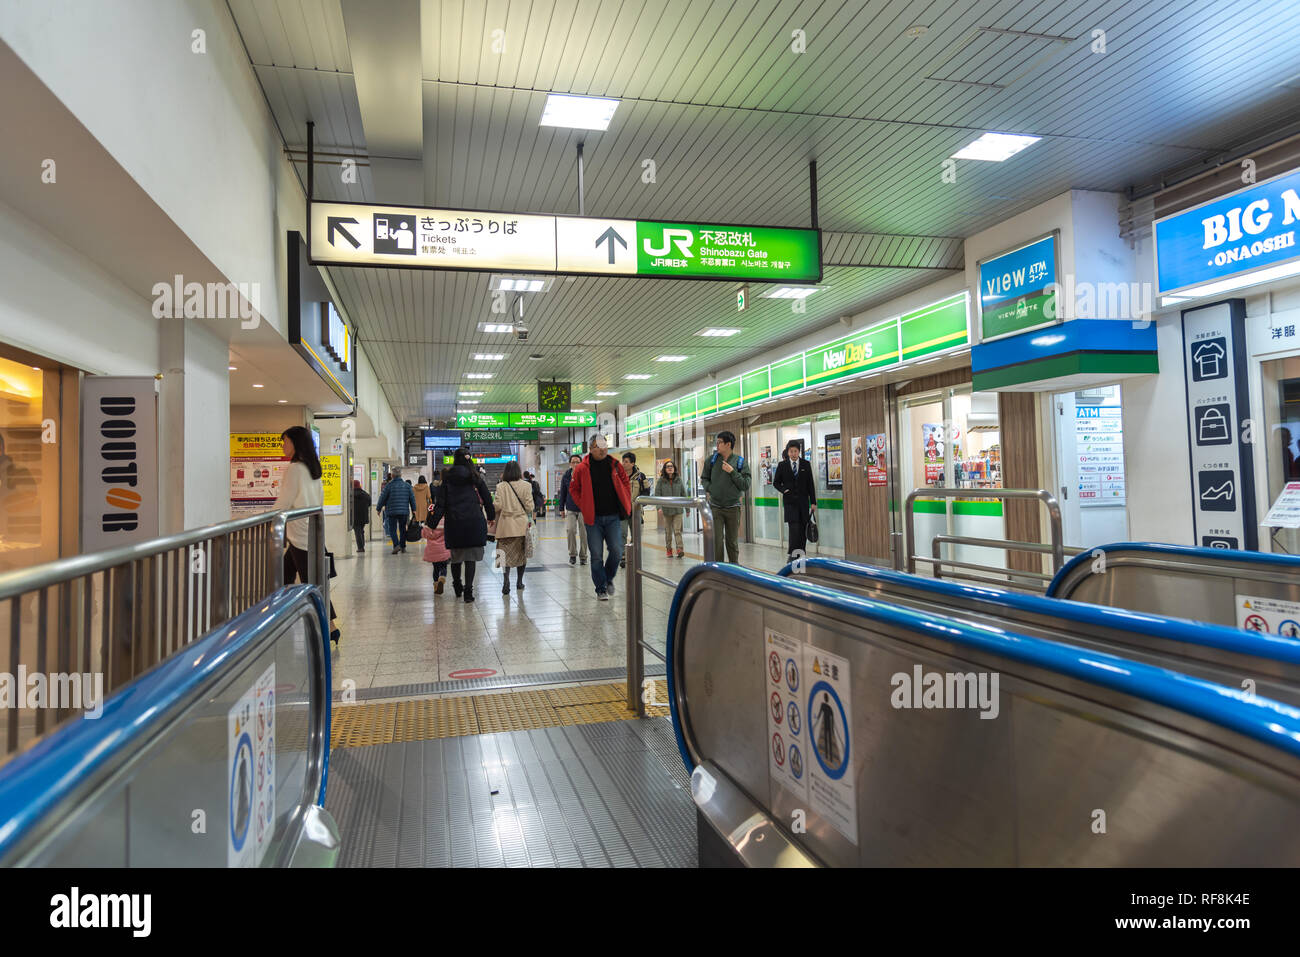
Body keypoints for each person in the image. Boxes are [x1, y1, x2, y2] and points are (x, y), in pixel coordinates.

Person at [274, 425, 339, 643]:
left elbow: (283, 503)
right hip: (309, 534)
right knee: (285, 574)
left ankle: (329, 626)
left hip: (300, 537)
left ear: (295, 442)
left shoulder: (295, 469)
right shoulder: (313, 470)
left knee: (313, 582)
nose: (283, 446)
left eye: (285, 441)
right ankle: (285, 616)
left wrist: (262, 517)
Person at [568, 434, 631, 601]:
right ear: (590, 449)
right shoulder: (582, 468)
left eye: (604, 446)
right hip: (593, 519)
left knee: (617, 551)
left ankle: (608, 577)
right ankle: (600, 588)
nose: (602, 449)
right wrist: (583, 505)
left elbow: (625, 483)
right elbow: (573, 489)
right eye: (598, 446)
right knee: (596, 555)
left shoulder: (615, 465)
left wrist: (626, 501)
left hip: (613, 517)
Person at [427, 448, 495, 603]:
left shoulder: (447, 479)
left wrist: (431, 523)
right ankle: (468, 592)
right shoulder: (475, 477)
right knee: (470, 557)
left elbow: (440, 505)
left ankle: (457, 585)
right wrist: (491, 516)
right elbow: (487, 498)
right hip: (473, 521)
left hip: (454, 521)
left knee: (456, 556)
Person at [700, 430, 751, 564]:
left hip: (733, 508)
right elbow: (704, 479)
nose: (717, 445)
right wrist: (711, 489)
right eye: (716, 442)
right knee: (716, 541)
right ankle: (719, 569)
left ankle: (734, 567)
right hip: (715, 507)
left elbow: (745, 485)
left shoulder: (740, 462)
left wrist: (733, 472)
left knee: (732, 542)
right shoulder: (711, 461)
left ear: (728, 444)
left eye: (720, 442)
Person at [493, 461, 535, 596]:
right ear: (519, 471)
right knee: (521, 556)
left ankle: (506, 581)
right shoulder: (527, 485)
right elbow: (530, 507)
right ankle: (519, 582)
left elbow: (497, 506)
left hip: (505, 527)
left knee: (504, 556)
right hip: (521, 527)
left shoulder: (500, 486)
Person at [772, 439, 816, 562]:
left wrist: (813, 502)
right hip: (790, 503)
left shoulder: (805, 464)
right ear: (788, 452)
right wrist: (784, 490)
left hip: (803, 503)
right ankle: (792, 555)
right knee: (794, 529)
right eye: (791, 451)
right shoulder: (782, 465)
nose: (793, 453)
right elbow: (776, 483)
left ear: (799, 452)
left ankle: (801, 554)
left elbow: (810, 484)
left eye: (795, 451)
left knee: (802, 530)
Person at [619, 451, 651, 568]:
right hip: (621, 510)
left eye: (626, 461)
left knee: (635, 535)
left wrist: (640, 504)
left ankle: (633, 556)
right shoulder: (618, 475)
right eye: (623, 461)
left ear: (632, 463)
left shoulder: (640, 477)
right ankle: (623, 556)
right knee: (621, 534)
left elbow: (646, 492)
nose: (623, 464)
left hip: (635, 510)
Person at [557, 453, 588, 566]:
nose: (575, 464)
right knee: (570, 530)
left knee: (584, 533)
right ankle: (572, 555)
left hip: (584, 509)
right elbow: (563, 493)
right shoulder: (566, 476)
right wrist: (561, 508)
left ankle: (583, 556)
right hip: (570, 508)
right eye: (573, 462)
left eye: (577, 462)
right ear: (570, 464)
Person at [375, 469, 415, 553]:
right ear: (400, 475)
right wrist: (414, 509)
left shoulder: (388, 486)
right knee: (402, 529)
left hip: (391, 511)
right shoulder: (407, 486)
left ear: (392, 476)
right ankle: (403, 546)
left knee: (392, 529)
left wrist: (378, 508)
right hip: (404, 511)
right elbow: (412, 498)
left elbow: (382, 498)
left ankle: (396, 545)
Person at [654, 460, 688, 558]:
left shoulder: (679, 480)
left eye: (671, 466)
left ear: (674, 469)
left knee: (677, 531)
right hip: (666, 510)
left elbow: (683, 494)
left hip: (678, 510)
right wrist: (659, 507)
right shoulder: (661, 481)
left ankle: (679, 549)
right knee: (668, 531)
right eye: (668, 466)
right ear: (665, 469)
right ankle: (669, 549)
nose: (670, 468)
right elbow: (657, 494)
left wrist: (688, 509)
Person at [421, 517, 451, 594]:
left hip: (433, 551)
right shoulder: (446, 521)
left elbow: (423, 535)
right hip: (444, 550)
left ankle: (436, 585)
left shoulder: (429, 523)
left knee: (435, 568)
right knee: (443, 567)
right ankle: (442, 578)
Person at [350, 479, 371, 552]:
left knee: (357, 532)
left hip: (354, 516)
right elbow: (369, 504)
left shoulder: (351, 495)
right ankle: (362, 545)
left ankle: (360, 547)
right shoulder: (365, 494)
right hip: (364, 516)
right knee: (361, 531)